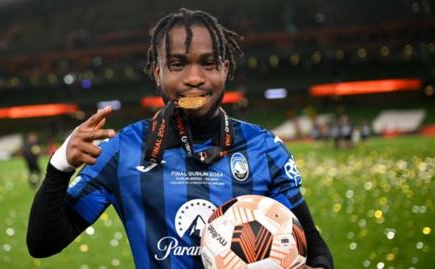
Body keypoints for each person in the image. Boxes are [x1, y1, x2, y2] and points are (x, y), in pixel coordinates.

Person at [27, 8, 333, 269]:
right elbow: (43, 243)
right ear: (157, 73)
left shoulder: (264, 148)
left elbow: (312, 240)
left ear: (225, 69)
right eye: (177, 65)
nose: (194, 78)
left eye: (208, 63)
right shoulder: (124, 150)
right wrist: (59, 167)